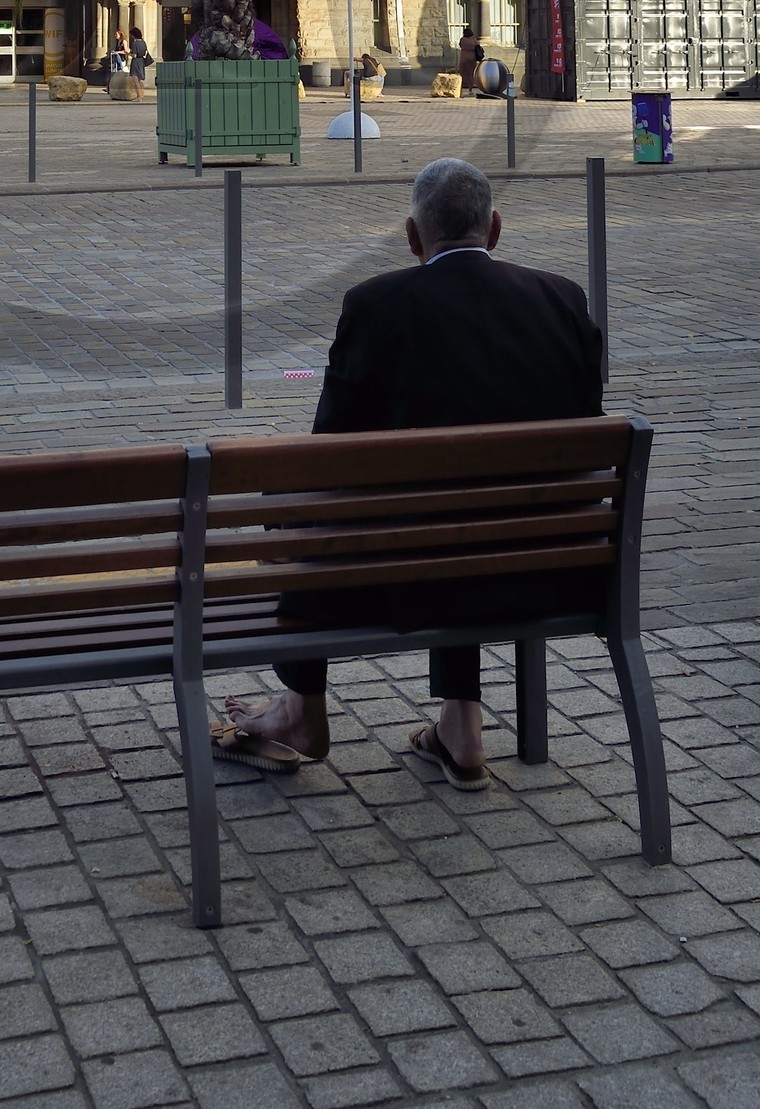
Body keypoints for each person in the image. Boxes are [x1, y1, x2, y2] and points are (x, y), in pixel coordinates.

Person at [214, 157, 603, 786]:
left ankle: (299, 713)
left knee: (299, 499)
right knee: (463, 504)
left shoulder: (377, 305)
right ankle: (460, 725)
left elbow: (329, 449)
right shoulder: (562, 299)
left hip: (406, 575)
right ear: (496, 229)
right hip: (547, 568)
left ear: (413, 237)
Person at [128, 25, 152, 103]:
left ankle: (139, 97)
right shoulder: (143, 42)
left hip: (136, 62)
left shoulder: (134, 43)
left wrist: (128, 53)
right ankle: (141, 95)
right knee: (139, 80)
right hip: (142, 61)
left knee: (135, 80)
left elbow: (134, 55)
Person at [457, 25, 483, 92]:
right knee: (471, 72)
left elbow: (460, 45)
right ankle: (470, 85)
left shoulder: (462, 39)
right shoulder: (473, 39)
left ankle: (462, 84)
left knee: (463, 71)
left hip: (463, 57)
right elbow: (477, 46)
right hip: (471, 57)